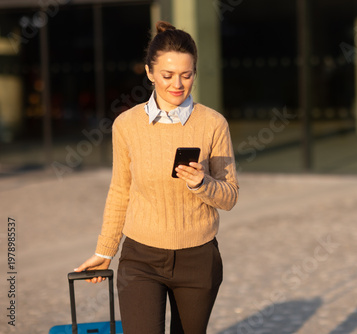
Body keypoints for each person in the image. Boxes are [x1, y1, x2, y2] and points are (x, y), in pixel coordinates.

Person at [75, 21, 239, 334]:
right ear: (150, 73)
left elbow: (230, 196)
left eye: (186, 75)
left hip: (198, 259)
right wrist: (105, 251)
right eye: (167, 75)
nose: (177, 84)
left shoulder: (213, 124)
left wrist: (202, 183)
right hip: (141, 260)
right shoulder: (126, 125)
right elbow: (120, 190)